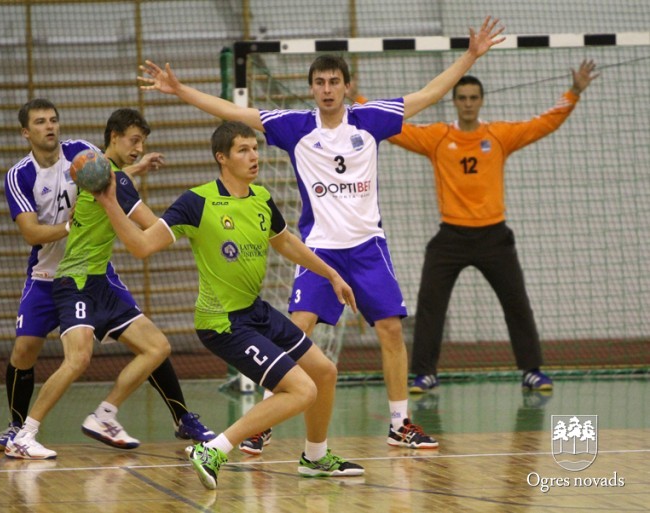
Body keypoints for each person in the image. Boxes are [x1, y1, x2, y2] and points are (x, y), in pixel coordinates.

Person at [137, 16, 505, 452]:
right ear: (311, 88)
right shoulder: (295, 126)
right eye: (319, 82)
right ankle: (264, 421)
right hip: (320, 249)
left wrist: (470, 56)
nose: (327, 89)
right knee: (299, 328)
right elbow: (235, 113)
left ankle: (399, 423)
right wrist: (180, 90)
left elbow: (428, 94)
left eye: (334, 81)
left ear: (347, 87)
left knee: (390, 328)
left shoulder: (371, 119)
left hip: (368, 247)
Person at [95, 120, 364, 490]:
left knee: (324, 372)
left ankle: (315, 457)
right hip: (222, 322)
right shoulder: (197, 202)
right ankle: (213, 450)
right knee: (302, 390)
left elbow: (285, 242)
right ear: (222, 158)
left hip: (255, 311)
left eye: (255, 148)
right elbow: (142, 246)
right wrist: (110, 202)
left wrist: (331, 274)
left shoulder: (261, 199)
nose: (253, 156)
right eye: (243, 150)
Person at [350, 60, 599, 393]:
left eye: (473, 98)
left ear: (481, 101)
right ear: (454, 101)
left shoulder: (498, 136)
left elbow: (543, 123)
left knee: (517, 303)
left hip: (494, 236)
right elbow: (395, 130)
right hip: (451, 237)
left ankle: (532, 371)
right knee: (430, 304)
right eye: (462, 98)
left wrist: (574, 92)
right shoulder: (438, 137)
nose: (468, 103)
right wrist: (357, 99)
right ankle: (424, 374)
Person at [3, 106, 213, 460]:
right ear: (113, 138)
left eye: (142, 143)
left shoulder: (103, 173)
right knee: (77, 359)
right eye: (134, 141)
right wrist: (198, 223)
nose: (139, 148)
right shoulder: (107, 178)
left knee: (157, 347)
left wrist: (135, 169)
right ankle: (24, 434)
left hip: (99, 278)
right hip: (74, 279)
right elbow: (152, 228)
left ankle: (105, 415)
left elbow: (111, 180)